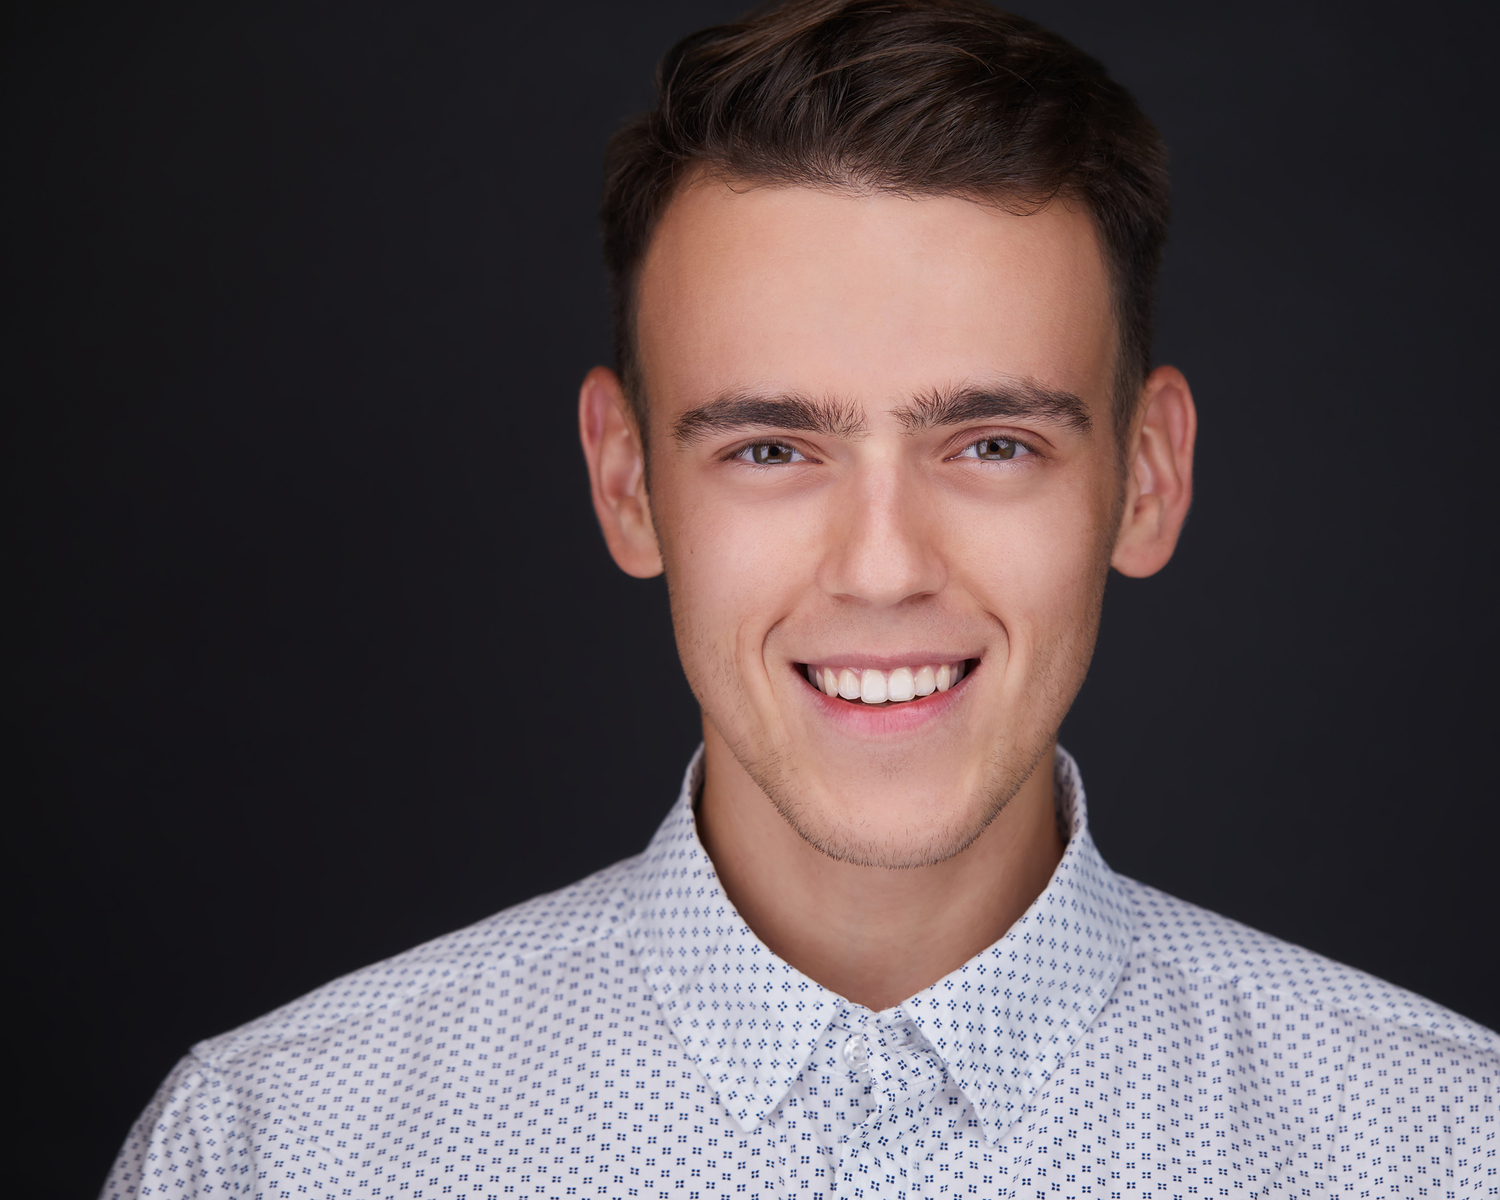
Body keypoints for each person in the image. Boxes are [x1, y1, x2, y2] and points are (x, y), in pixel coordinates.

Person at [102, 1, 1498, 1196]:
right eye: (772, 449)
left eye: (992, 445)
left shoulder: (1445, 1148)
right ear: (626, 483)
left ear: (1147, 476)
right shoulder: (278, 1150)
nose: (883, 568)